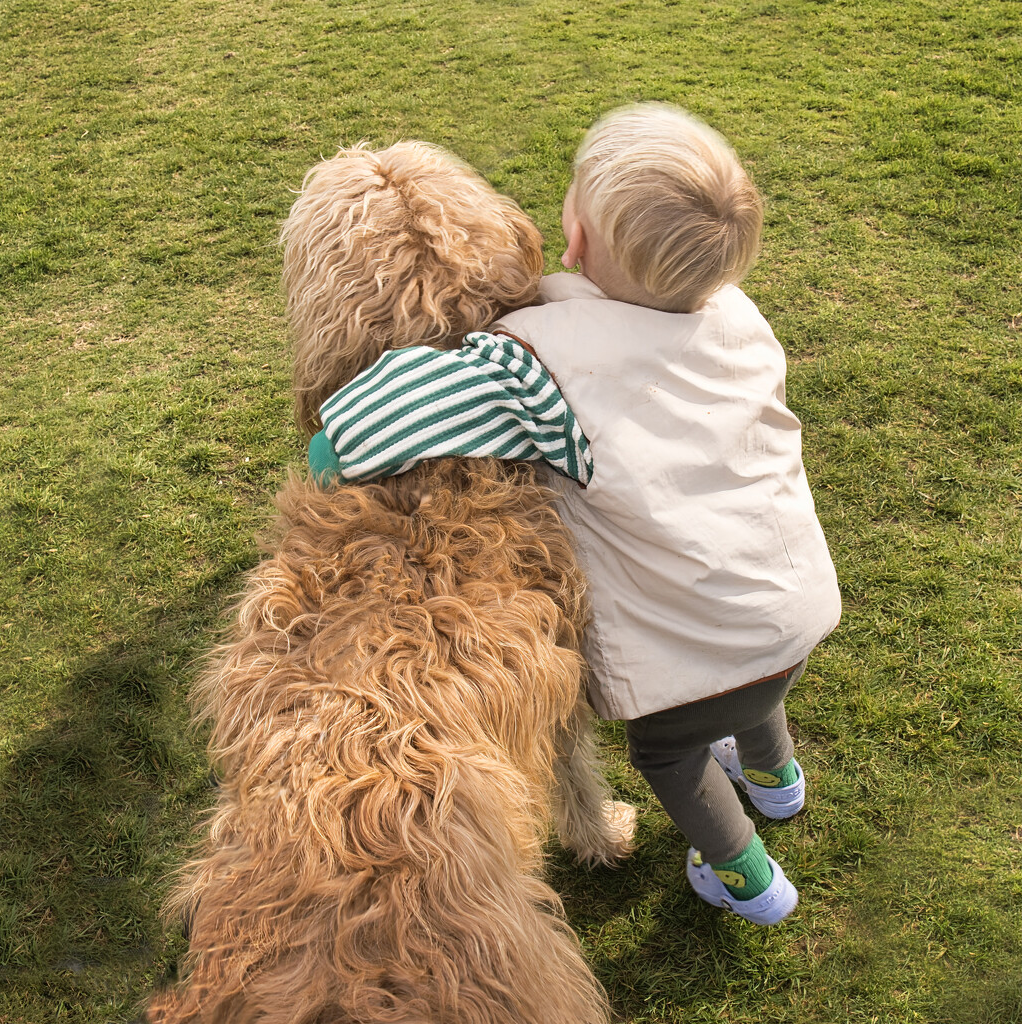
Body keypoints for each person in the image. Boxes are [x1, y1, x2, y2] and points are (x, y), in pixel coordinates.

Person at [310, 104, 841, 925]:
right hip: (791, 612)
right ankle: (778, 784)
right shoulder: (738, 318)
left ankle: (744, 875)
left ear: (577, 240)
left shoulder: (536, 366)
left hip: (695, 661)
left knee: (670, 756)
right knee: (760, 693)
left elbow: (375, 421)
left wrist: (327, 456)